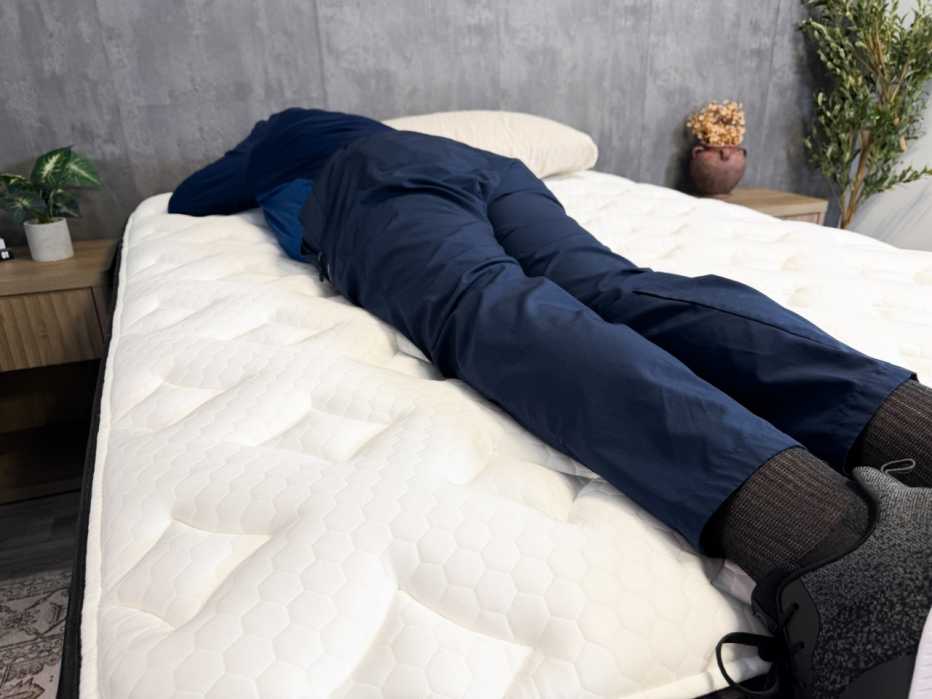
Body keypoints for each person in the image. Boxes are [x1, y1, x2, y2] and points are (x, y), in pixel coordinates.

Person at [169, 107, 932, 698]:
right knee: (617, 288)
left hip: (376, 180)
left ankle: (829, 543)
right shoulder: (429, 136)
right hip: (498, 171)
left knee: (483, 302)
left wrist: (253, 163)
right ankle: (912, 433)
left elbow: (191, 196)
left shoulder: (286, 136)